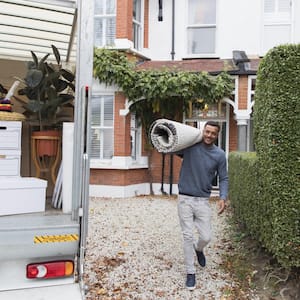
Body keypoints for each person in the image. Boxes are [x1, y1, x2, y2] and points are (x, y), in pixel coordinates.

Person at [176, 120, 228, 290]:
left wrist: (222, 197)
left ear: (217, 135)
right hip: (184, 198)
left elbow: (224, 178)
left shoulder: (219, 155)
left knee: (206, 237)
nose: (209, 135)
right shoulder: (190, 147)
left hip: (203, 201)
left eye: (213, 133)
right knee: (188, 236)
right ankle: (190, 273)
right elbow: (171, 146)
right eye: (207, 131)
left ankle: (199, 250)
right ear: (203, 131)